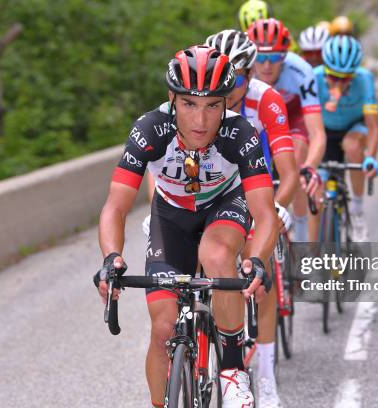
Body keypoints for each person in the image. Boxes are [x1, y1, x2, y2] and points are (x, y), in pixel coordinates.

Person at [96, 45, 278, 408]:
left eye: (213, 105)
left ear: (226, 103)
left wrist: (257, 259)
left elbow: (266, 212)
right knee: (163, 330)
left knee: (215, 254)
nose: (201, 120)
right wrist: (111, 258)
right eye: (189, 104)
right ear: (171, 99)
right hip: (171, 216)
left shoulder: (240, 134)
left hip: (224, 206)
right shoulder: (150, 130)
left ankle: (231, 369)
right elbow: (115, 207)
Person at [206, 29, 298, 408]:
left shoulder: (266, 100)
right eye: (225, 79)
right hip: (213, 189)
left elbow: (288, 173)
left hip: (256, 185)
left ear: (251, 76)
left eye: (239, 79)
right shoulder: (202, 102)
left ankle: (265, 376)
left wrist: (275, 209)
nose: (230, 90)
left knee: (258, 273)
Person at [247, 18, 327, 242]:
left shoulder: (300, 71)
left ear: (285, 55)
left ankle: (300, 238)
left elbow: (317, 133)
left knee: (297, 161)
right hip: (259, 121)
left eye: (274, 57)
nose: (266, 65)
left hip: (292, 118)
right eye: (260, 58)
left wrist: (310, 168)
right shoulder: (243, 72)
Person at [314, 35, 378, 241]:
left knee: (352, 146)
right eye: (334, 77)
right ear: (325, 69)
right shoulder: (314, 77)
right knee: (319, 187)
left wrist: (370, 156)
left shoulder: (364, 78)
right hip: (325, 130)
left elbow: (373, 126)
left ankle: (357, 212)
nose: (340, 82)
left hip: (354, 126)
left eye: (346, 78)